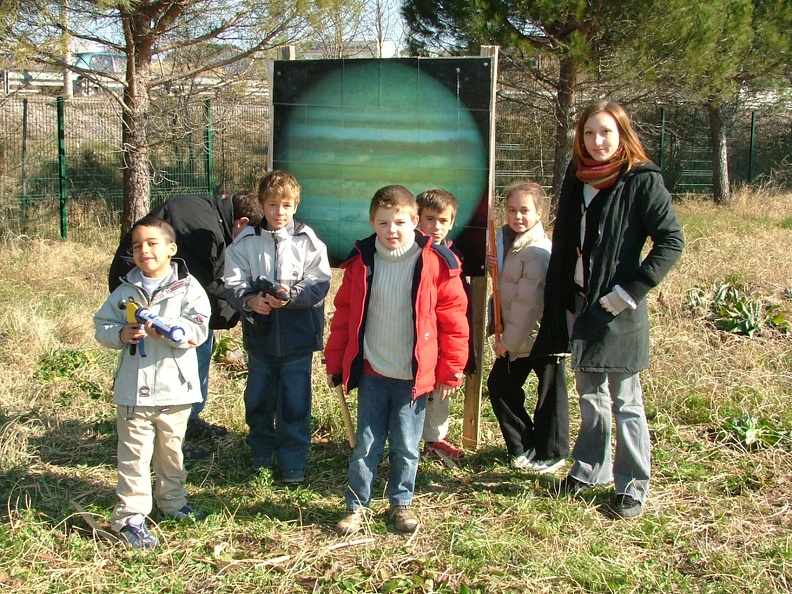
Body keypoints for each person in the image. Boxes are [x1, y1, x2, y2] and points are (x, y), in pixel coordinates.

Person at [533, 100, 684, 518]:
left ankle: (633, 485)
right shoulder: (576, 177)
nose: (597, 142)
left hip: (618, 308)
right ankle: (589, 469)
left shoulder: (641, 180)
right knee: (590, 395)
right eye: (588, 133)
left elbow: (671, 241)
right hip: (578, 303)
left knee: (626, 401)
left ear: (621, 134)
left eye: (606, 132)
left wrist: (630, 291)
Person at [325, 185, 470, 536]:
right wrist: (335, 361)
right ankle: (356, 505)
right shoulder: (362, 262)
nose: (392, 230)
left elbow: (454, 318)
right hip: (373, 371)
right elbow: (344, 314)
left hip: (413, 376)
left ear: (416, 221)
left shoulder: (436, 262)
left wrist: (451, 369)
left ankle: (401, 503)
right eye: (384, 222)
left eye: (401, 222)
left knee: (407, 445)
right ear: (373, 222)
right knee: (366, 443)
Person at [108, 192, 263, 458]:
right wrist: (241, 306)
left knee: (198, 343)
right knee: (188, 352)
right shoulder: (203, 226)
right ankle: (173, 433)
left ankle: (188, 419)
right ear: (242, 222)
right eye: (250, 233)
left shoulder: (211, 216)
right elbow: (204, 282)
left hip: (165, 292)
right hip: (143, 293)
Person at [94, 216, 211, 549]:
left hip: (176, 390)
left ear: (171, 249)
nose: (144, 250)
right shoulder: (124, 291)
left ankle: (172, 503)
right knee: (134, 456)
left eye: (152, 243)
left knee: (171, 452)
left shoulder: (189, 288)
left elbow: (199, 328)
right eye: (136, 246)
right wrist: (120, 334)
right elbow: (102, 325)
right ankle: (131, 517)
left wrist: (175, 331)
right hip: (135, 391)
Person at [224, 170, 331, 485]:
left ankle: (293, 461)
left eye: (286, 205)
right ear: (261, 205)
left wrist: (292, 297)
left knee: (295, 401)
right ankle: (261, 454)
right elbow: (232, 281)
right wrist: (250, 300)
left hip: (298, 339)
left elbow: (320, 282)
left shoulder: (308, 240)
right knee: (257, 398)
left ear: (296, 205)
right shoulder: (245, 242)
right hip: (260, 338)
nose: (279, 212)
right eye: (272, 205)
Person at [486, 181, 569, 474]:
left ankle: (553, 452)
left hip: (540, 337)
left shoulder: (536, 251)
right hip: (519, 336)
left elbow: (528, 304)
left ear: (540, 213)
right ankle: (525, 446)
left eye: (525, 210)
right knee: (501, 385)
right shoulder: (511, 244)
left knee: (549, 394)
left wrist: (507, 341)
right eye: (511, 210)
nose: (517, 216)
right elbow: (505, 285)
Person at [415, 188, 475, 461]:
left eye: (443, 221)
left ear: (452, 223)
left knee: (440, 390)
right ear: (417, 218)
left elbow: (455, 309)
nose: (435, 227)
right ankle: (407, 438)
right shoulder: (409, 253)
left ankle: (435, 439)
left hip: (442, 338)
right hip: (415, 339)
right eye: (429, 219)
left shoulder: (455, 256)